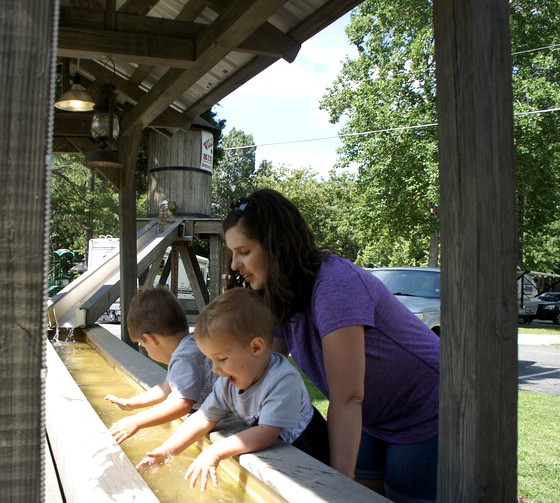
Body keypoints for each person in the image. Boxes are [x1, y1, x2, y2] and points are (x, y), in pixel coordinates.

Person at [222, 188, 440, 503]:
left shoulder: (334, 285)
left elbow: (348, 397)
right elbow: (262, 366)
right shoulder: (282, 292)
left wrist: (335, 490)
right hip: (372, 417)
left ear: (276, 245)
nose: (234, 265)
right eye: (232, 254)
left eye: (243, 251)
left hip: (424, 409)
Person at [136, 287, 329, 491]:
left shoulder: (282, 380)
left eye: (221, 359)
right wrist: (168, 450)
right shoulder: (227, 382)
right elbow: (203, 417)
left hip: (309, 451)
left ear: (256, 347)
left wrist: (215, 451)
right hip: (278, 450)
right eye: (211, 359)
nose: (215, 369)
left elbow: (266, 432)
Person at [105, 287, 217, 444]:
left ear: (152, 340)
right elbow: (166, 388)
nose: (144, 349)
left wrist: (136, 422)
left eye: (142, 345)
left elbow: (182, 404)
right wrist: (131, 403)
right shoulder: (191, 344)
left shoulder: (184, 357)